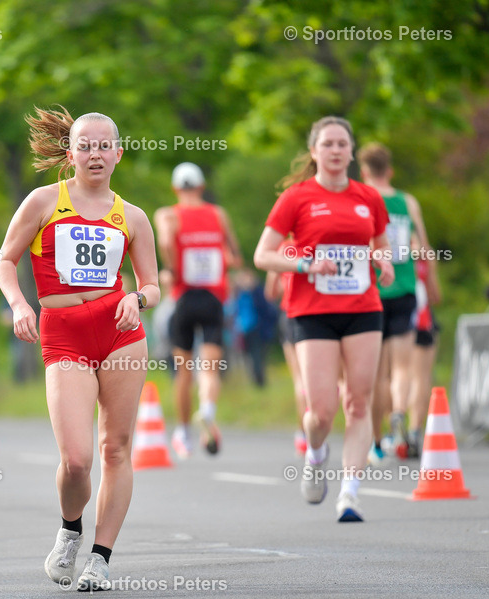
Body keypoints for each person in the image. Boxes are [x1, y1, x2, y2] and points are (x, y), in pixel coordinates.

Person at [0, 106, 160, 591]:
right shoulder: (45, 201)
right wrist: (19, 305)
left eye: (103, 145)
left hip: (120, 332)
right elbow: (6, 260)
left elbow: (154, 284)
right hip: (64, 330)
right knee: (77, 459)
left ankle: (101, 558)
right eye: (85, 145)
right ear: (70, 153)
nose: (94, 154)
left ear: (118, 154)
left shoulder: (132, 216)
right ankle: (71, 529)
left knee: (116, 448)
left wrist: (136, 298)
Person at [254, 116, 394, 523]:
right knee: (321, 410)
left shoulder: (368, 197)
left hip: (363, 308)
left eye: (342, 144)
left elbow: (381, 243)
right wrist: (306, 264)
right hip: (311, 311)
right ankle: (316, 454)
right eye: (327, 144)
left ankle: (350, 493)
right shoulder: (296, 198)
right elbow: (264, 255)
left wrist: (383, 264)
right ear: (314, 152)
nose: (335, 150)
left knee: (359, 401)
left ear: (352, 152)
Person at [154, 162, 242, 457]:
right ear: (202, 187)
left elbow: (166, 240)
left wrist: (173, 269)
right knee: (210, 367)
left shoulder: (168, 214)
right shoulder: (218, 215)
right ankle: (207, 409)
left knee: (183, 371)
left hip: (183, 299)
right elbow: (235, 257)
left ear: (176, 189)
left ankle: (182, 433)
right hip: (214, 299)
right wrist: (220, 260)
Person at [358, 143, 432, 463]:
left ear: (363, 171)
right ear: (390, 169)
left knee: (377, 375)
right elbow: (425, 250)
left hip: (370, 292)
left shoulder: (360, 198)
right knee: (403, 368)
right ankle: (399, 413)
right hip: (404, 289)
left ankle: (377, 441)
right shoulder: (407, 202)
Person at [263, 257, 308, 456]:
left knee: (301, 380)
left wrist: (284, 283)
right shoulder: (313, 242)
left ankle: (303, 435)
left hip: (290, 313)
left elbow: (270, 293)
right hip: (315, 313)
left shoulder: (281, 249)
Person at [407, 254, 442, 457]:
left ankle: (393, 432)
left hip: (394, 319)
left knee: (395, 376)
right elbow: (436, 296)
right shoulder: (425, 257)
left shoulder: (381, 248)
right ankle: (413, 431)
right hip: (420, 320)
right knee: (421, 379)